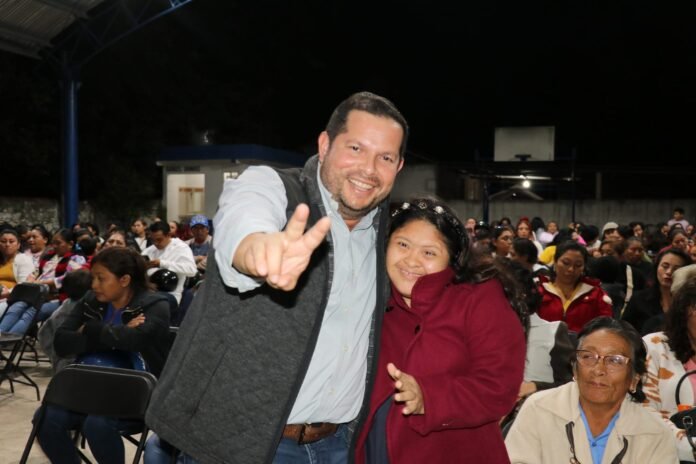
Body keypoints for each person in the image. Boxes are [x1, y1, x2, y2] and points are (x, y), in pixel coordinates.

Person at [145, 91, 408, 464]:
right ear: (325, 144)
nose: (368, 168)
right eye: (355, 148)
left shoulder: (389, 234)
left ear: (399, 166)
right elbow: (245, 215)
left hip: (339, 444)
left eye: (385, 157)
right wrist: (256, 250)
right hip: (237, 445)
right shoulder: (273, 187)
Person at [353, 199, 526, 463]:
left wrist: (429, 398)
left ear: (451, 259)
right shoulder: (370, 298)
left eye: (429, 253)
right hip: (375, 448)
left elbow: (499, 386)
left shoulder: (478, 297)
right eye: (403, 245)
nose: (412, 260)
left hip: (453, 453)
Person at [34, 247, 171, 464]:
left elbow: (136, 341)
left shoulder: (155, 305)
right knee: (45, 418)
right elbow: (61, 343)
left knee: (97, 423)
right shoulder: (91, 300)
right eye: (93, 278)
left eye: (101, 278)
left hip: (135, 394)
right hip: (90, 386)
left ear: (124, 280)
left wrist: (90, 329)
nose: (94, 285)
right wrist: (113, 334)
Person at [505, 316, 678, 463]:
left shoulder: (656, 434)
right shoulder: (538, 410)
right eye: (588, 356)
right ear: (574, 368)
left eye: (614, 360)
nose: (598, 369)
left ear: (634, 379)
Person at [643, 279, 696, 462]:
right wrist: (689, 446)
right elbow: (643, 410)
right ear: (683, 312)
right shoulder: (654, 346)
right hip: (660, 454)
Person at [0, 228, 86, 334]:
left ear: (70, 244)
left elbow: (67, 280)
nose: (54, 246)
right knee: (16, 306)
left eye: (58, 243)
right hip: (36, 294)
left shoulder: (76, 258)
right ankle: (1, 334)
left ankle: (10, 339)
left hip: (58, 298)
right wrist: (31, 279)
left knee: (31, 312)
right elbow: (35, 273)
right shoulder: (49, 257)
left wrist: (40, 283)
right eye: (53, 243)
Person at [536, 241, 613, 333]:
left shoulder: (597, 295)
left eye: (578, 265)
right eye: (566, 263)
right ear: (555, 262)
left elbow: (605, 329)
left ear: (584, 267)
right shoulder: (538, 291)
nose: (571, 269)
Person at [622, 248, 691, 335]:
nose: (669, 272)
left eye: (676, 269)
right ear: (657, 267)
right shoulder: (638, 299)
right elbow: (624, 331)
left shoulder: (690, 302)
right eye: (665, 266)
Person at [141, 221, 197, 304]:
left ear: (168, 235)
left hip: (170, 294)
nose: (156, 243)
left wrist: (162, 263)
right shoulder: (149, 250)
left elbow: (192, 270)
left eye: (159, 240)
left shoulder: (181, 247)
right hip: (149, 290)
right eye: (153, 240)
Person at [0, 229, 35, 318]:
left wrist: (7, 293)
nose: (7, 244)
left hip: (10, 299)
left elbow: (24, 286)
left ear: (18, 245)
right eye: (3, 241)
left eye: (11, 241)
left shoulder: (24, 259)